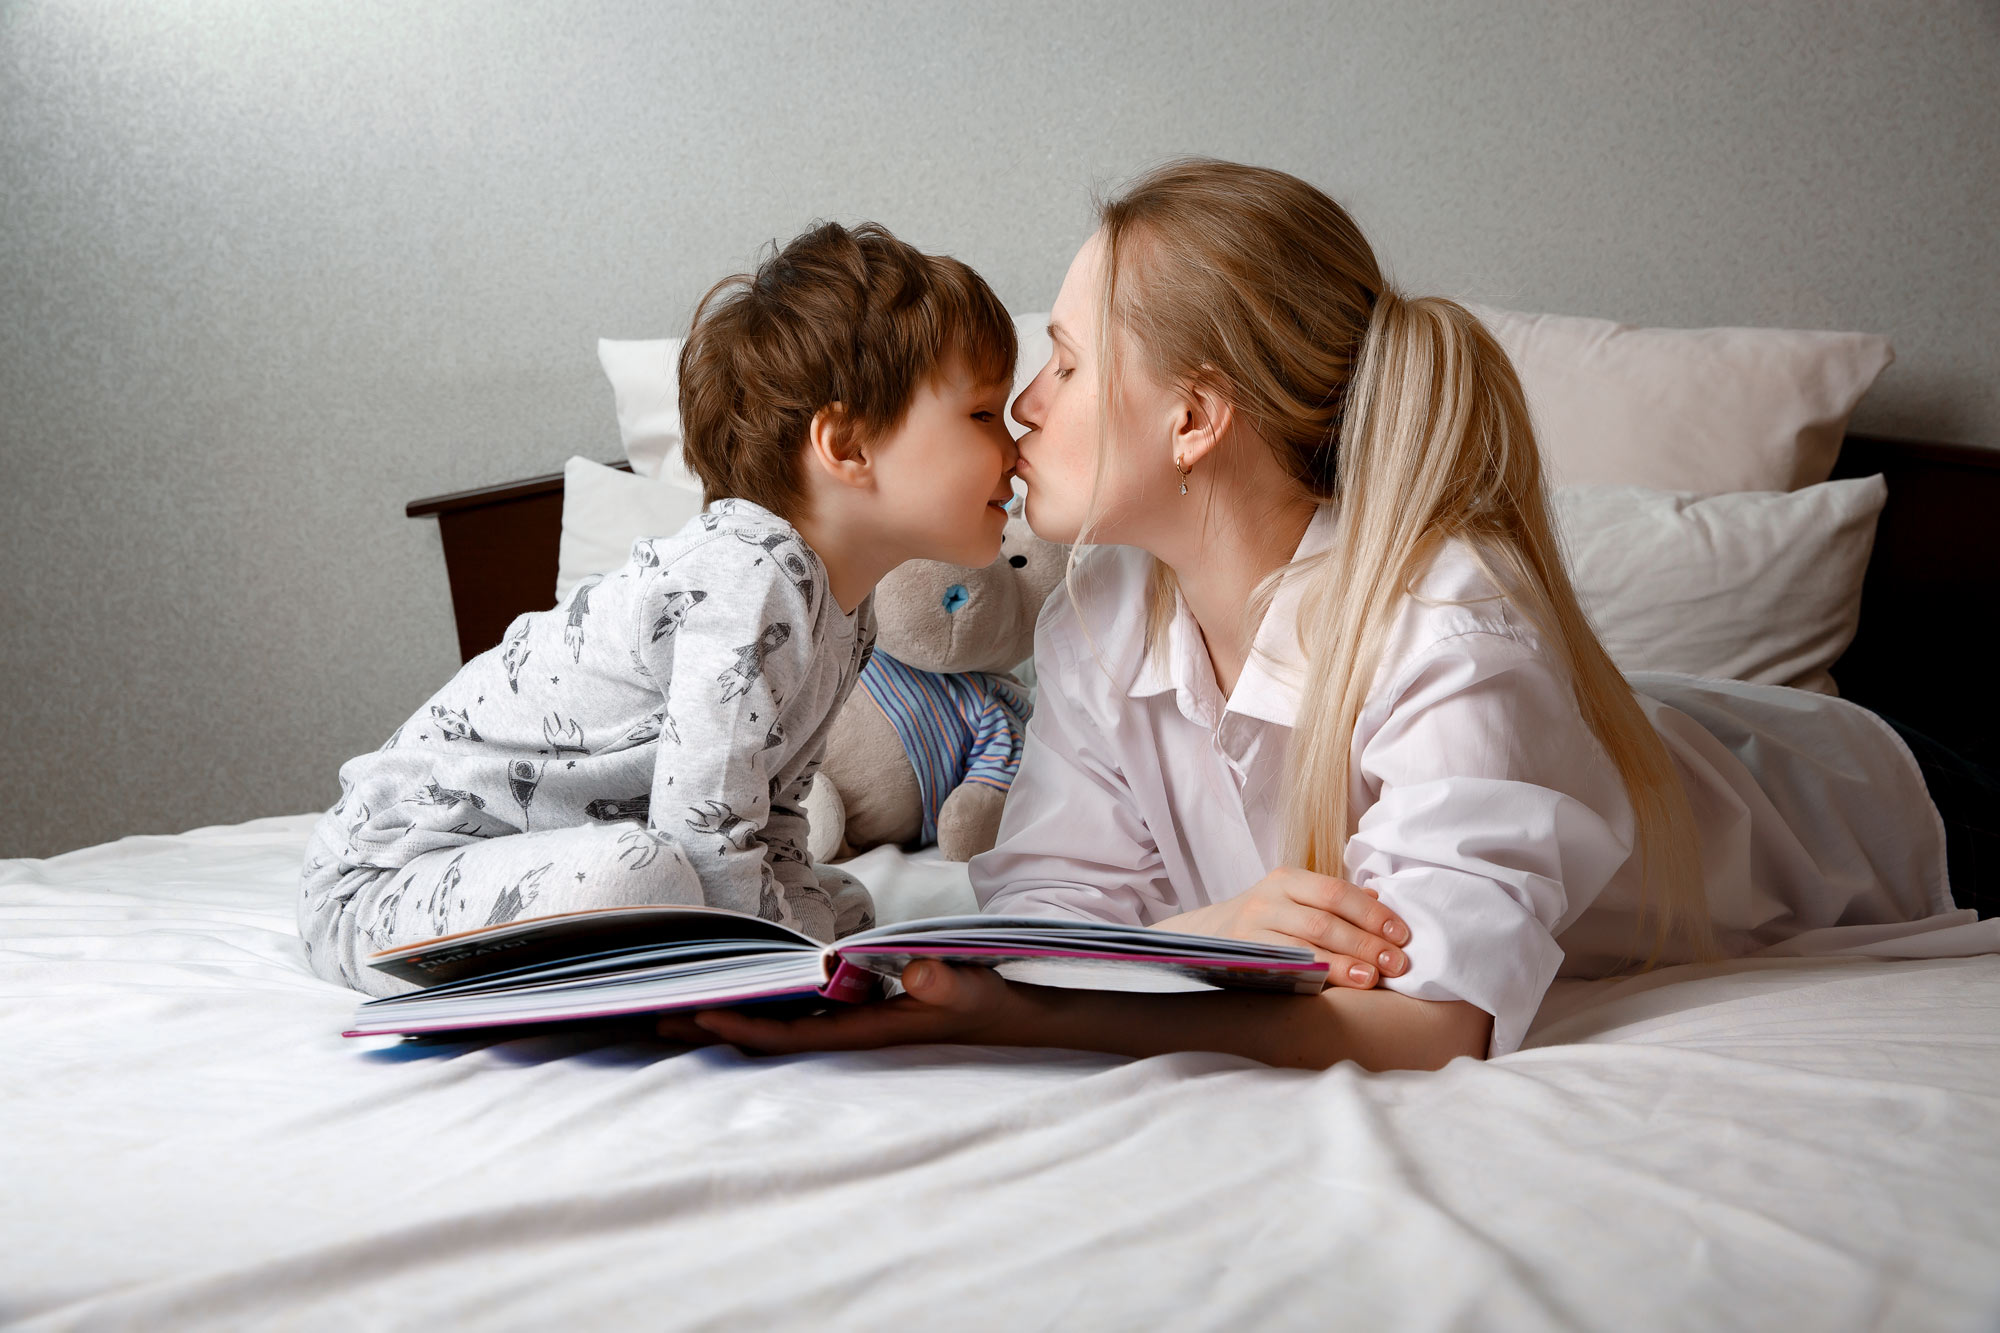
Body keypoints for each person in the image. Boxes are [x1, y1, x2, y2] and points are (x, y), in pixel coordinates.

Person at [686, 159, 1961, 1070]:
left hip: (1894, 812)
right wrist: (1191, 932)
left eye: (1066, 363)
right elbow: (1051, 909)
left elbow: (1427, 1018)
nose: (1023, 407)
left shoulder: (1452, 627)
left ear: (1191, 417)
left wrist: (1034, 1016)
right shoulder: (1104, 608)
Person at [299, 221, 1021, 997]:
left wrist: (819, 943)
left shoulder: (848, 608)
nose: (1015, 446)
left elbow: (770, 812)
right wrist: (809, 989)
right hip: (383, 878)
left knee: (843, 904)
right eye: (984, 415)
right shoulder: (747, 574)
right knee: (652, 876)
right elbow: (703, 831)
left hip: (538, 858)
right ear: (845, 444)